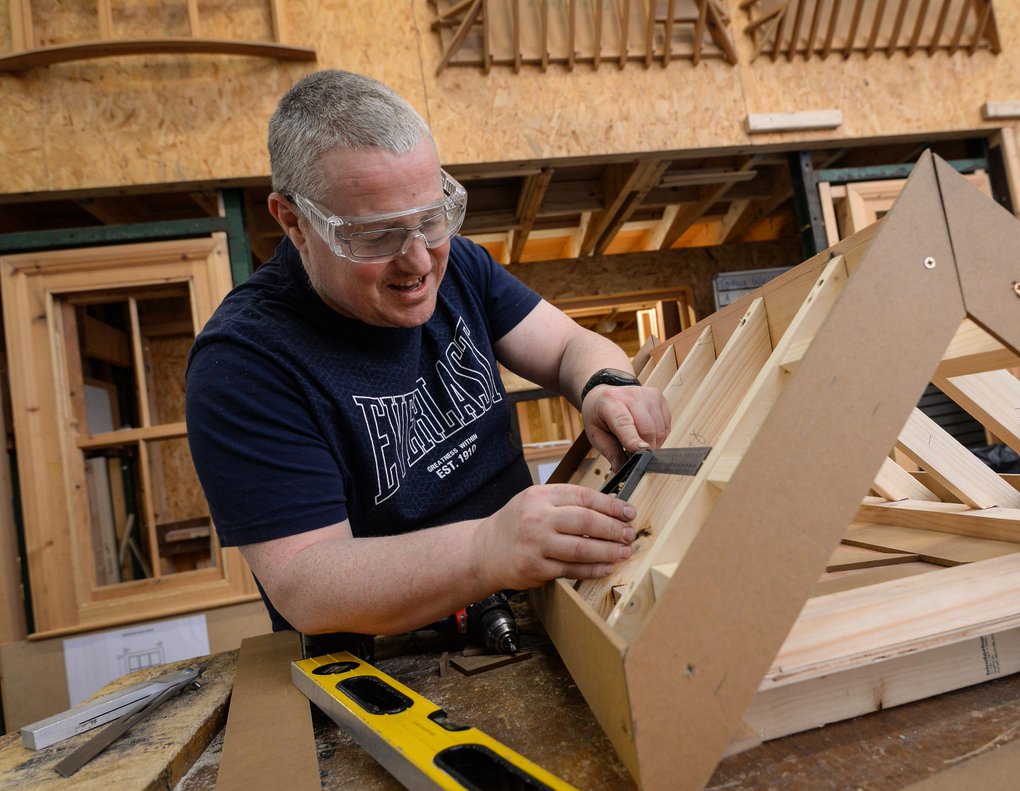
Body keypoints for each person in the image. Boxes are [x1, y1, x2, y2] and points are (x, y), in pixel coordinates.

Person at [186, 70, 671, 641]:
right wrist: (489, 547)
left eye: (430, 219)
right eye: (376, 234)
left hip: (543, 611)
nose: (418, 262)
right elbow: (307, 584)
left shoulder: (457, 264)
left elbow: (568, 344)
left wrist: (605, 382)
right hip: (402, 663)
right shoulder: (244, 362)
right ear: (294, 222)